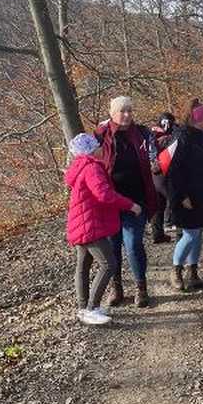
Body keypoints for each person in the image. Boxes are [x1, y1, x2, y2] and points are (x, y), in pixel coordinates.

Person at [65, 133, 141, 326]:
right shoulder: (92, 168)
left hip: (82, 223)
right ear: (91, 150)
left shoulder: (79, 166)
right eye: (97, 146)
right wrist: (130, 205)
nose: (101, 148)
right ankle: (90, 308)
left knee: (83, 266)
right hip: (90, 225)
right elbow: (104, 194)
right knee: (109, 264)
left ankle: (84, 308)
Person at [96, 96, 158, 308]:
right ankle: (117, 288)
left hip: (136, 201)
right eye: (122, 111)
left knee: (133, 244)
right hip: (110, 202)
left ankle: (141, 288)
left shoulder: (140, 133)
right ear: (112, 113)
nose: (127, 115)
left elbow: (154, 152)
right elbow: (84, 155)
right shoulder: (101, 135)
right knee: (113, 248)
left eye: (130, 111)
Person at [167, 102, 203, 291]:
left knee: (196, 234)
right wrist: (181, 196)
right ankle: (176, 269)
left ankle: (193, 271)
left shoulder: (200, 137)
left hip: (202, 194)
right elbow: (174, 170)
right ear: (197, 118)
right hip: (186, 195)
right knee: (191, 234)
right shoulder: (183, 137)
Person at [150, 112, 177, 244]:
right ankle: (179, 230)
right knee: (175, 198)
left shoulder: (150, 134)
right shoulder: (173, 135)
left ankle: (158, 233)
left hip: (153, 172)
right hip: (164, 171)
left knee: (158, 205)